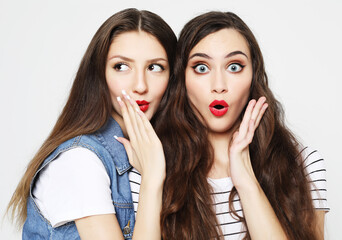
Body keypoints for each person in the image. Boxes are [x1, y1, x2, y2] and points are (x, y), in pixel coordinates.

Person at [155, 11, 329, 239]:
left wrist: (246, 181)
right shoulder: (153, 170)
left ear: (254, 76)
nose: (219, 85)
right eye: (201, 67)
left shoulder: (304, 166)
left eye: (234, 66)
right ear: (181, 80)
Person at [7, 8, 176, 239]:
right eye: (121, 66)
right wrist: (153, 178)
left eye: (155, 67)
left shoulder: (153, 152)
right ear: (99, 74)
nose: (140, 85)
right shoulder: (80, 161)